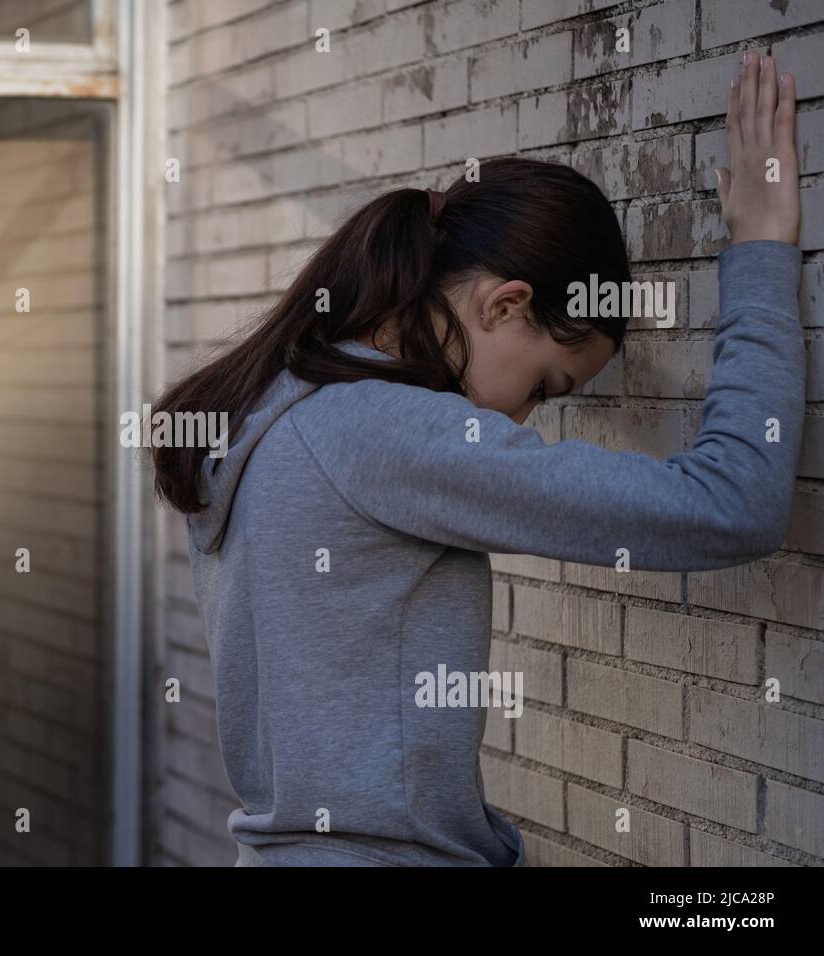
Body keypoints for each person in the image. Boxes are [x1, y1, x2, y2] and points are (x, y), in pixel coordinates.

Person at [148, 53, 804, 866]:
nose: (525, 418)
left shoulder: (272, 408)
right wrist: (764, 248)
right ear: (506, 304)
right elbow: (734, 502)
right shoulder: (390, 431)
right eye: (545, 385)